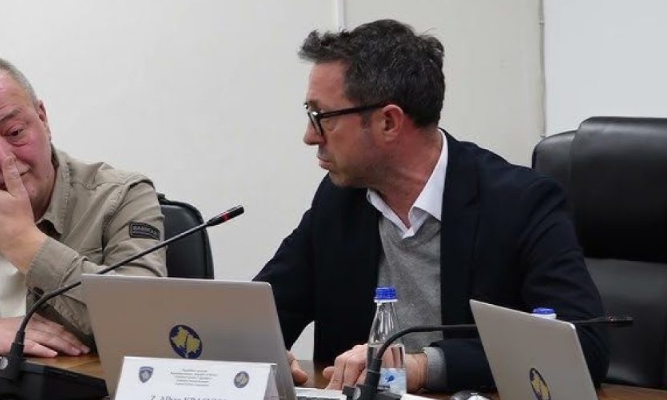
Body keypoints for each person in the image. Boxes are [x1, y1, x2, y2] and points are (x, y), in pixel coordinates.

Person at [255, 19, 609, 393]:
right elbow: (262, 313)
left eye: (321, 117)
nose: (310, 136)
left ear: (388, 122)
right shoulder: (339, 200)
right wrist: (259, 351)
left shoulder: (521, 204)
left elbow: (582, 347)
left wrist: (422, 367)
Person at [0, 58, 167, 358]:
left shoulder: (122, 197)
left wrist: (29, 246)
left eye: (14, 132)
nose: (4, 160)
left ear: (43, 119)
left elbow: (146, 324)